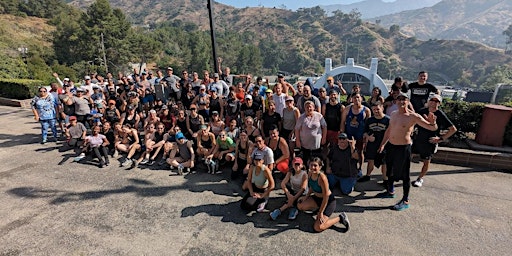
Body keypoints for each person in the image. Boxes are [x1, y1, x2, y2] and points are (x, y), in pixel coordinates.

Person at [377, 92, 438, 211]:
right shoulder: (393, 114)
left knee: (405, 174)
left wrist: (433, 122)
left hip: (403, 148)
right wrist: (382, 144)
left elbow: (431, 127)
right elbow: (389, 130)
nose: (401, 102)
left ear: (408, 101)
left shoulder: (413, 116)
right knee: (389, 170)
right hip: (391, 147)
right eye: (399, 99)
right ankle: (390, 191)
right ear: (396, 101)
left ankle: (405, 200)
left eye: (404, 99)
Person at [412, 94, 457, 187]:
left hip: (430, 141)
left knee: (426, 161)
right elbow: (413, 122)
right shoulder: (421, 111)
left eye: (436, 101)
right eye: (432, 100)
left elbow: (453, 129)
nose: (433, 103)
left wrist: (440, 139)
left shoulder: (440, 114)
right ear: (428, 101)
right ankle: (402, 174)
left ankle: (420, 178)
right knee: (408, 156)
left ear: (439, 103)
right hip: (418, 139)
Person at [297, 157, 350, 232]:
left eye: (315, 166)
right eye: (311, 165)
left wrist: (321, 212)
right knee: (300, 204)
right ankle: (318, 210)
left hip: (328, 202)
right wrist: (306, 196)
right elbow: (312, 186)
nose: (313, 167)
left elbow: (326, 197)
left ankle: (340, 218)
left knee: (318, 227)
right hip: (317, 198)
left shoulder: (322, 178)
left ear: (320, 167)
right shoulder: (309, 173)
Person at [359, 102, 390, 184]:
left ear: (382, 108)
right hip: (372, 145)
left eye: (378, 109)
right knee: (370, 161)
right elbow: (364, 132)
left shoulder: (388, 120)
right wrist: (368, 137)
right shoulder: (369, 120)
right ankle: (368, 175)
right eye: (374, 110)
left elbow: (391, 134)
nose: (376, 111)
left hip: (385, 145)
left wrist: (383, 144)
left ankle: (385, 180)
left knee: (384, 163)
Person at [341, 93, 371, 173]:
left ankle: (360, 168)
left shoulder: (366, 110)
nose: (356, 99)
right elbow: (343, 122)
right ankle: (348, 167)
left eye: (358, 97)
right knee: (348, 151)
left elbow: (369, 124)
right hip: (349, 134)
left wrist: (366, 136)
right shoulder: (347, 109)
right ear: (352, 99)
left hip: (360, 135)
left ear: (361, 98)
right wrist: (342, 134)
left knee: (360, 152)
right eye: (354, 98)